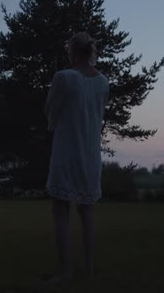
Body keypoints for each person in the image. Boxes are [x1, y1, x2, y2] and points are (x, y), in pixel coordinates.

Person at [44, 32, 109, 284]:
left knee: (60, 210)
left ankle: (65, 271)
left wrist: (54, 122)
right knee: (87, 213)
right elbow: (98, 114)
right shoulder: (103, 81)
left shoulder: (64, 77)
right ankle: (89, 269)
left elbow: (51, 111)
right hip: (91, 154)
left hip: (67, 152)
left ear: (72, 51)